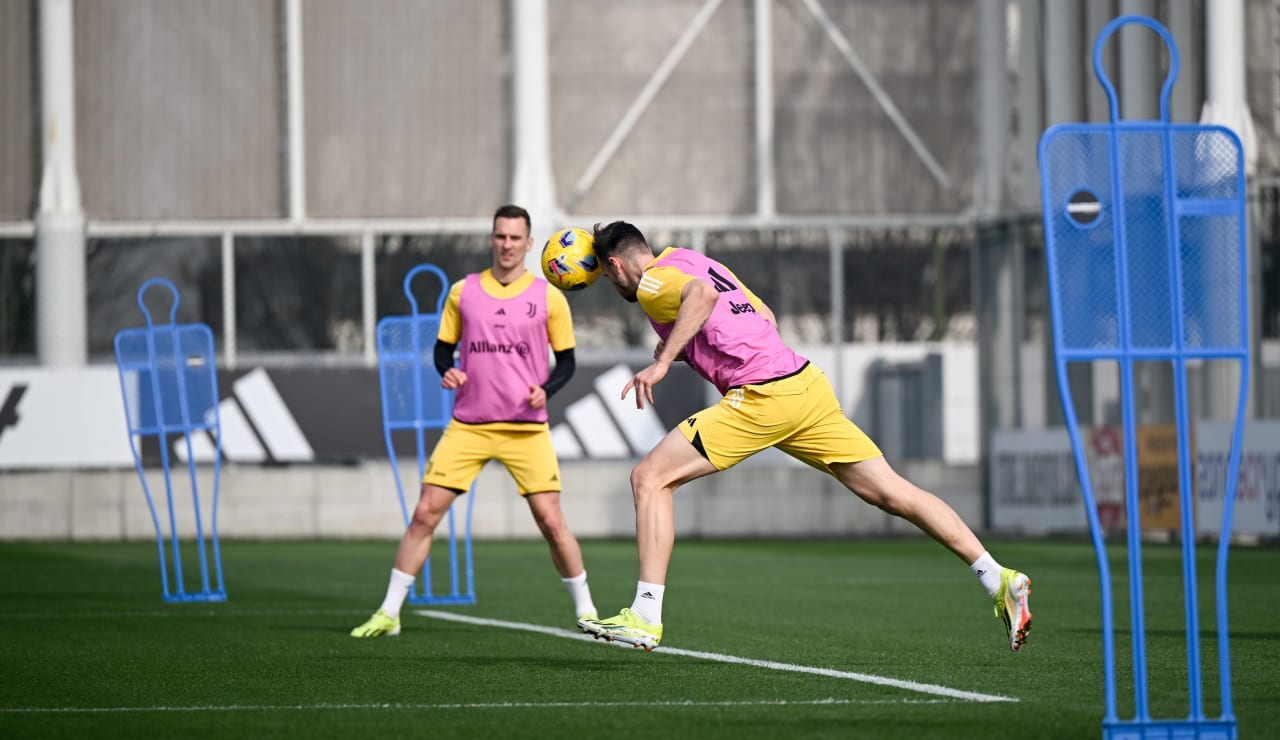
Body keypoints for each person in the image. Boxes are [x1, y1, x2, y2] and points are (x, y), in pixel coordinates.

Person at [576, 221, 1032, 652]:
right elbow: (764, 317)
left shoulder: (653, 283)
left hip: (762, 396)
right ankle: (998, 578)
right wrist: (685, 347)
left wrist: (662, 360)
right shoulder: (694, 258)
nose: (613, 288)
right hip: (805, 384)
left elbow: (701, 298)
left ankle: (645, 616)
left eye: (606, 278)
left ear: (615, 266)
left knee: (649, 478)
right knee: (891, 491)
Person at [351, 204, 597, 637]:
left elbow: (568, 362)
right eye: (500, 237)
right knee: (426, 513)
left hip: (526, 426)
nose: (507, 245)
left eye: (515, 238)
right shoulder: (464, 292)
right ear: (491, 239)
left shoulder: (548, 297)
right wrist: (446, 368)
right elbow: (443, 348)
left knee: (552, 521)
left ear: (528, 243)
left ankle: (587, 611)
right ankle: (389, 612)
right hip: (469, 425)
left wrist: (548, 390)